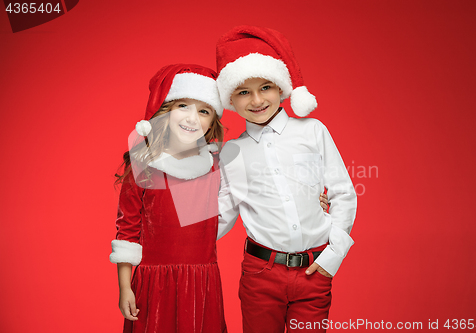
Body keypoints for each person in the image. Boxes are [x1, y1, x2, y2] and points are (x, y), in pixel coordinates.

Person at [215, 26, 357, 332]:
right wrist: (174, 235)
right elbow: (223, 213)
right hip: (260, 276)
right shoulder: (233, 151)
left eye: (265, 87)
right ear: (231, 99)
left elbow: (343, 193)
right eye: (243, 92)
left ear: (281, 88)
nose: (256, 100)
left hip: (313, 272)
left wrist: (334, 256)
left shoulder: (313, 131)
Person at [110, 64, 227, 333]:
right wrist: (125, 287)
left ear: (212, 122)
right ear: (166, 111)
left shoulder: (215, 166)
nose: (192, 118)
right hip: (155, 285)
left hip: (202, 284)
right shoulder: (143, 166)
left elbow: (255, 194)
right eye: (183, 106)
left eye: (204, 110)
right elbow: (127, 231)